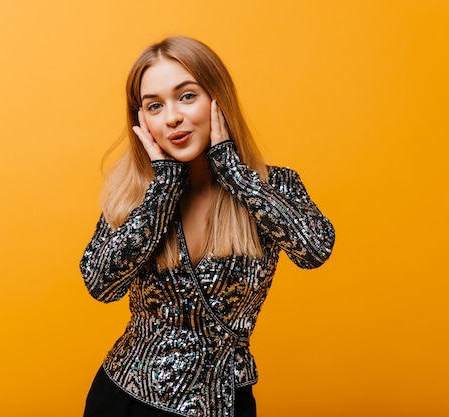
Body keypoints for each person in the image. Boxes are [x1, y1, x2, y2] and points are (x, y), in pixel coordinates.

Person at [80, 36, 335, 417]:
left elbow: (315, 250)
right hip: (125, 401)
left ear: (219, 99)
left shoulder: (272, 187)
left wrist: (233, 172)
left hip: (225, 402)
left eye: (186, 96)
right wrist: (163, 189)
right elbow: (100, 285)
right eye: (154, 106)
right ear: (142, 121)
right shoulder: (133, 195)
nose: (171, 118)